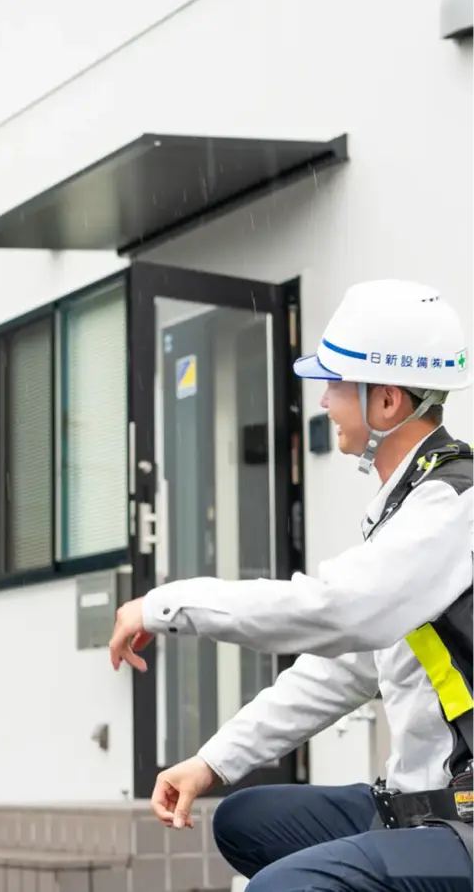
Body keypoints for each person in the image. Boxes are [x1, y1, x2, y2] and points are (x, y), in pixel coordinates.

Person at [108, 278, 474, 891]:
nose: (325, 400)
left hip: (459, 824)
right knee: (243, 821)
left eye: (336, 383)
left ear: (386, 401)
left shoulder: (450, 507)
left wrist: (163, 605)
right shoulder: (409, 506)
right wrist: (212, 761)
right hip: (413, 808)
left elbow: (332, 611)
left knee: (280, 888)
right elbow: (346, 664)